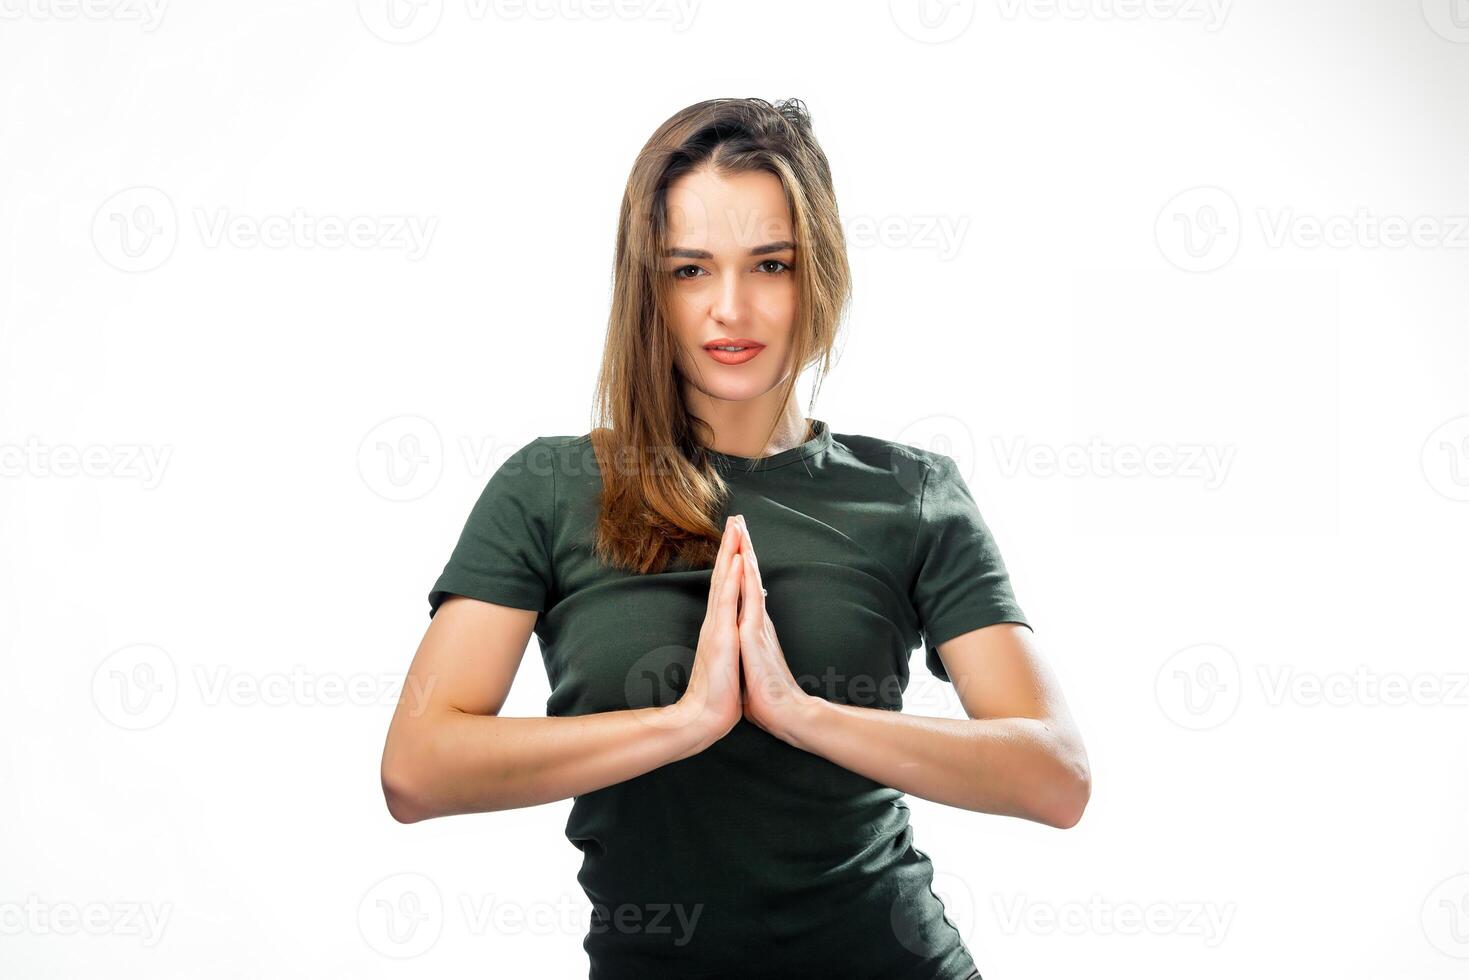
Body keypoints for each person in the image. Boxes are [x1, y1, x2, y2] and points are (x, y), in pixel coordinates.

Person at [380, 97, 1090, 980]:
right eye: (689, 270)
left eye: (770, 264)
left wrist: (802, 715)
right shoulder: (550, 487)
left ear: (816, 272)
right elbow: (418, 768)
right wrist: (686, 722)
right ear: (649, 284)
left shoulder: (912, 493)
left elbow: (1055, 775)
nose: (730, 307)